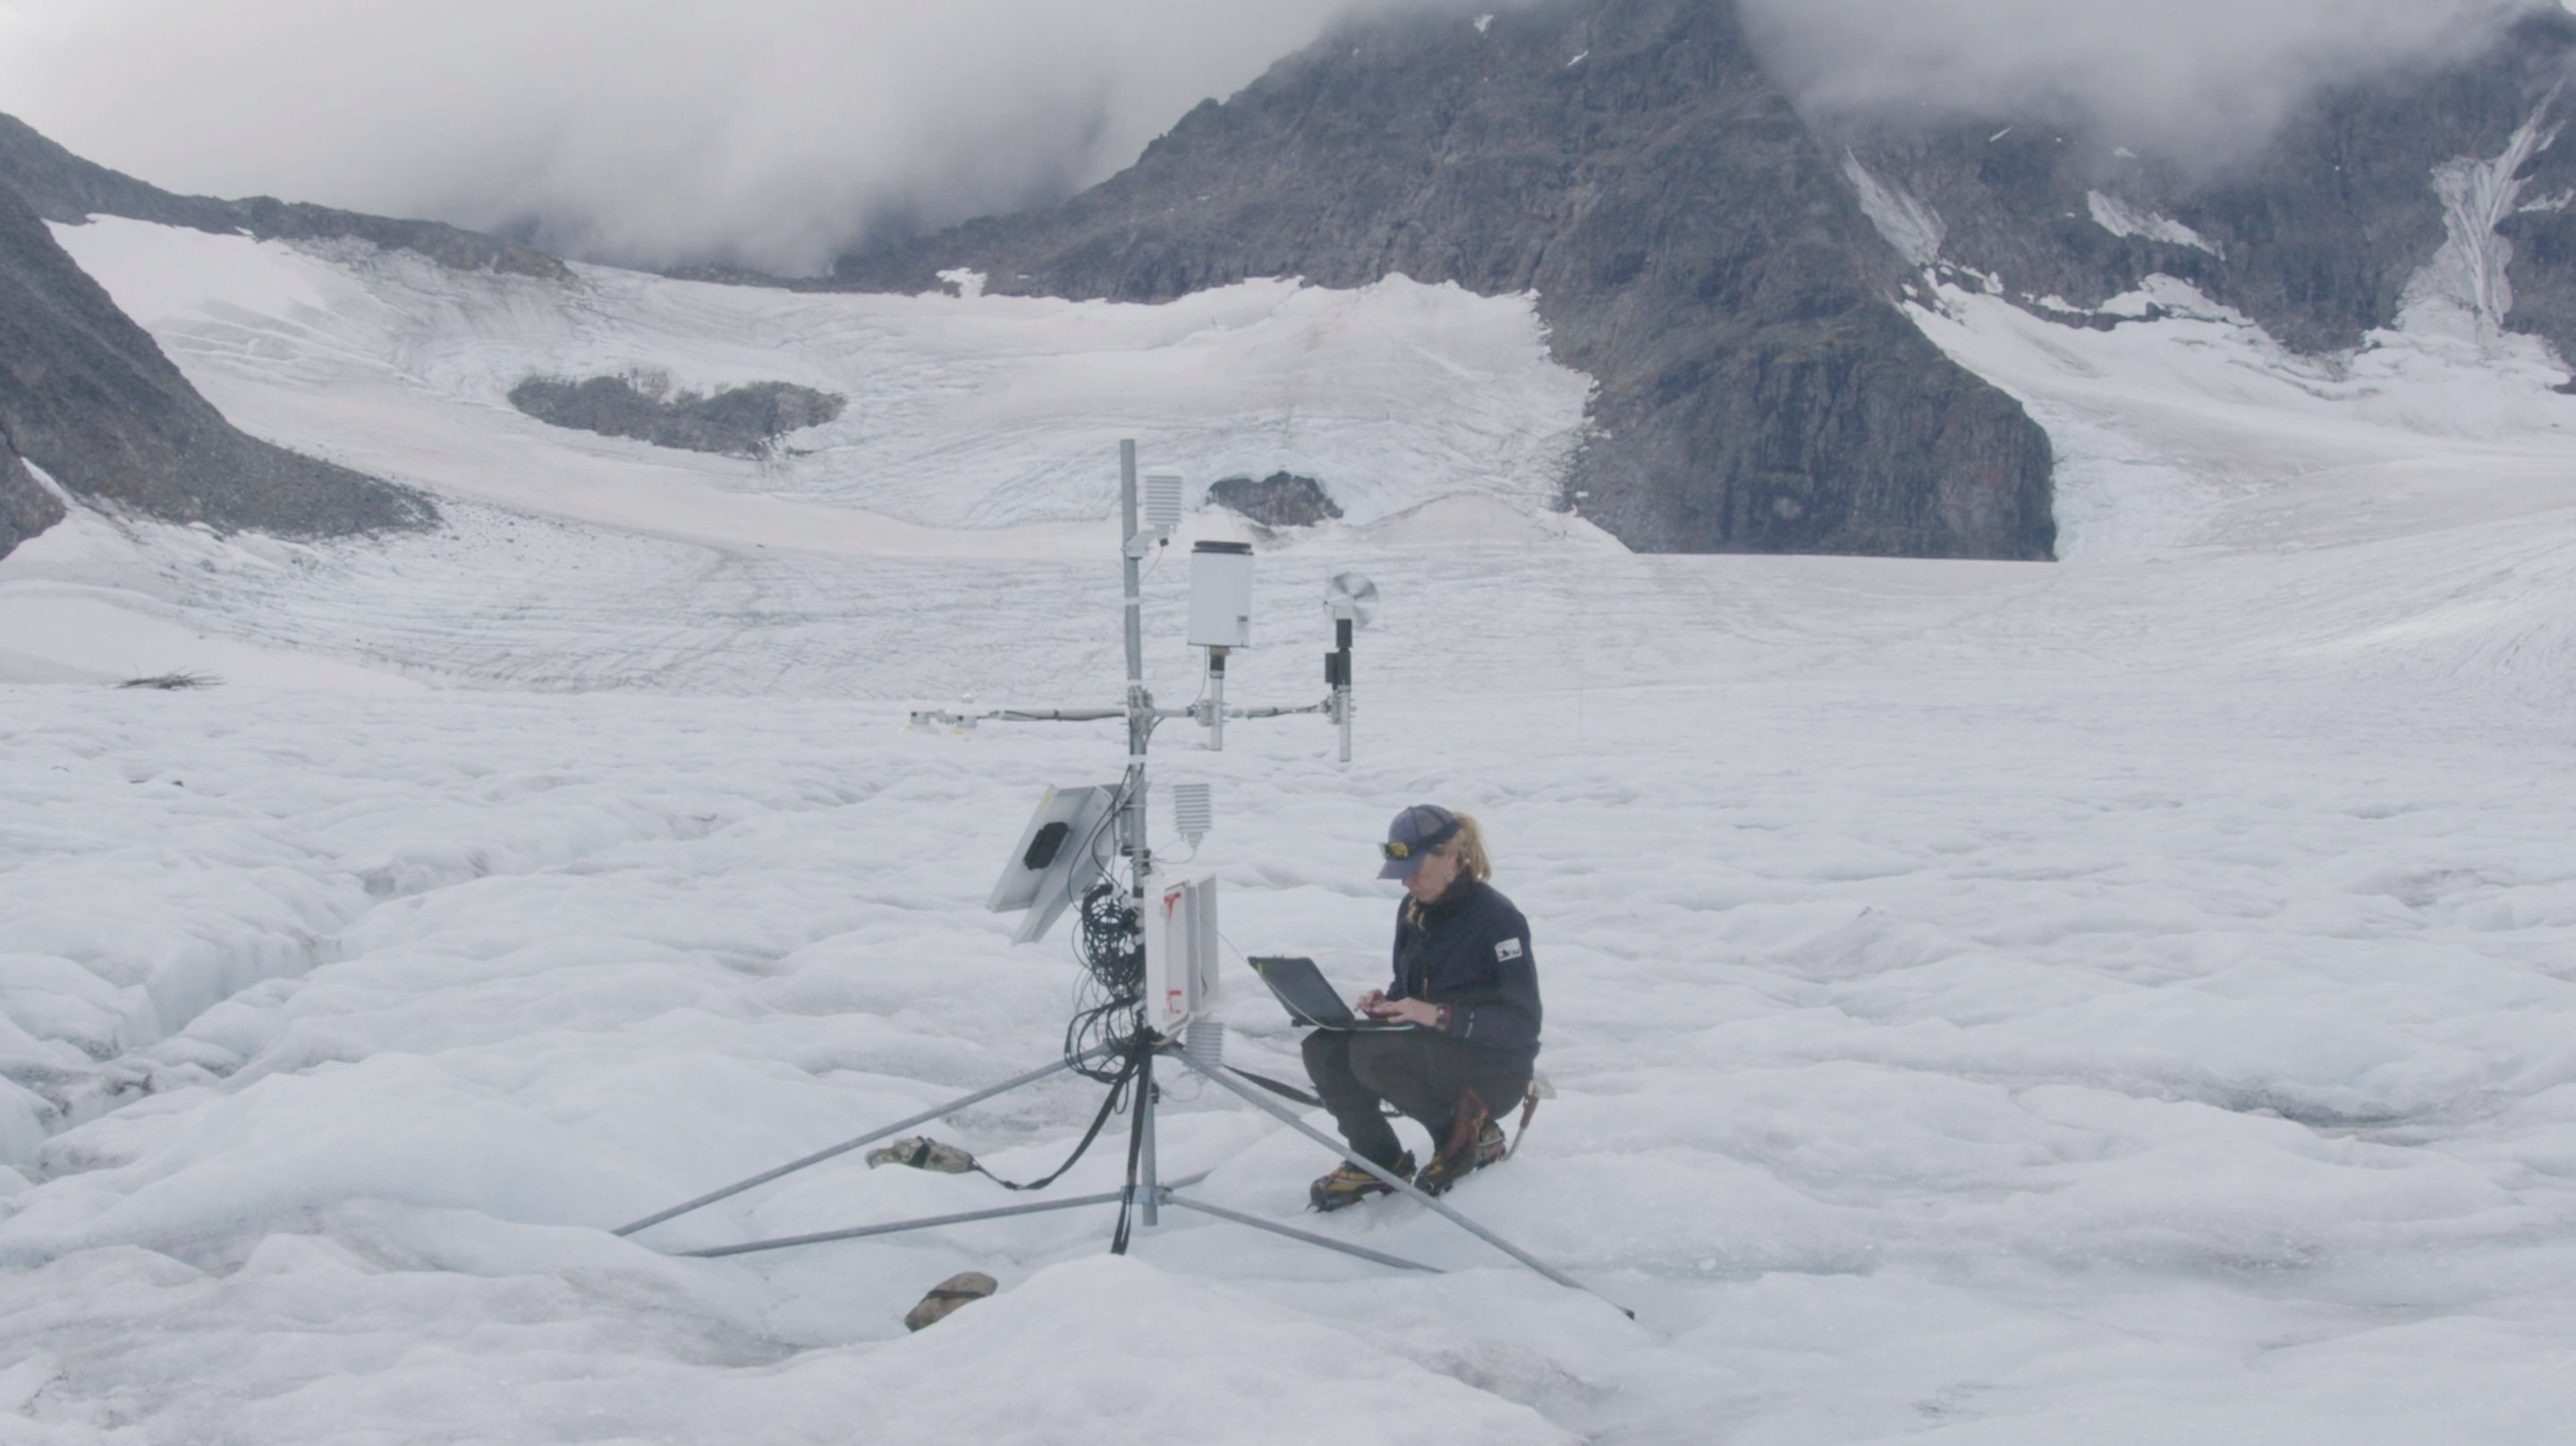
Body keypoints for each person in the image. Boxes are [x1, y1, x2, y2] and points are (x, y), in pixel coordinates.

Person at [1302, 804, 1540, 1211]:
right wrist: (1389, 1002)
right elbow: (1413, 985)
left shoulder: (1498, 919)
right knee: (1325, 1047)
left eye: (1415, 869)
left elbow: (1522, 1026)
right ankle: (1377, 1158)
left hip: (1495, 1069)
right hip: (1433, 1049)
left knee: (1373, 1053)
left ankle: (1468, 1139)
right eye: (1400, 873)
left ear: (1453, 856)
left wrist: (1440, 1015)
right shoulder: (1413, 911)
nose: (1406, 882)